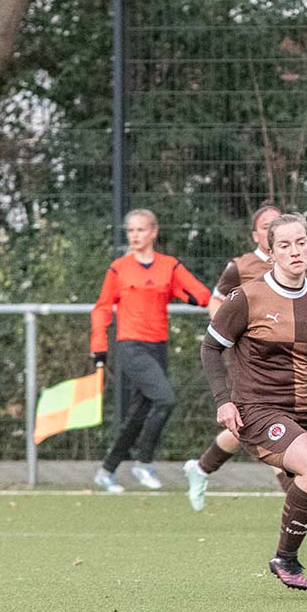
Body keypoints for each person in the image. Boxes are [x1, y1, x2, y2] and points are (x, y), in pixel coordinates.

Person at [201, 212, 307, 597]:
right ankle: (285, 558)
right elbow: (211, 347)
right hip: (259, 410)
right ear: (271, 253)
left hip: (303, 409)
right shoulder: (247, 297)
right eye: (284, 245)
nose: (295, 251)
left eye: (301, 243)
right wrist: (223, 401)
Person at [181, 203, 307, 518]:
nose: (273, 230)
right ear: (257, 235)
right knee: (268, 418)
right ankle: (298, 492)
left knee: (250, 424)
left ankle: (202, 468)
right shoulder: (241, 266)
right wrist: (228, 330)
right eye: (265, 226)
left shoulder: (296, 262)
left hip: (286, 357)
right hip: (249, 355)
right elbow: (216, 300)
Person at [90, 209, 211, 493]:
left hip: (158, 346)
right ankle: (144, 463)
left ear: (154, 232)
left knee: (139, 412)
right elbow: (102, 308)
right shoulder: (119, 268)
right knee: (165, 399)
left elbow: (201, 294)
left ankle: (106, 470)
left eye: (140, 230)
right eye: (131, 230)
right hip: (131, 346)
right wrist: (99, 346)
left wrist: (185, 295)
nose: (135, 235)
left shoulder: (169, 266)